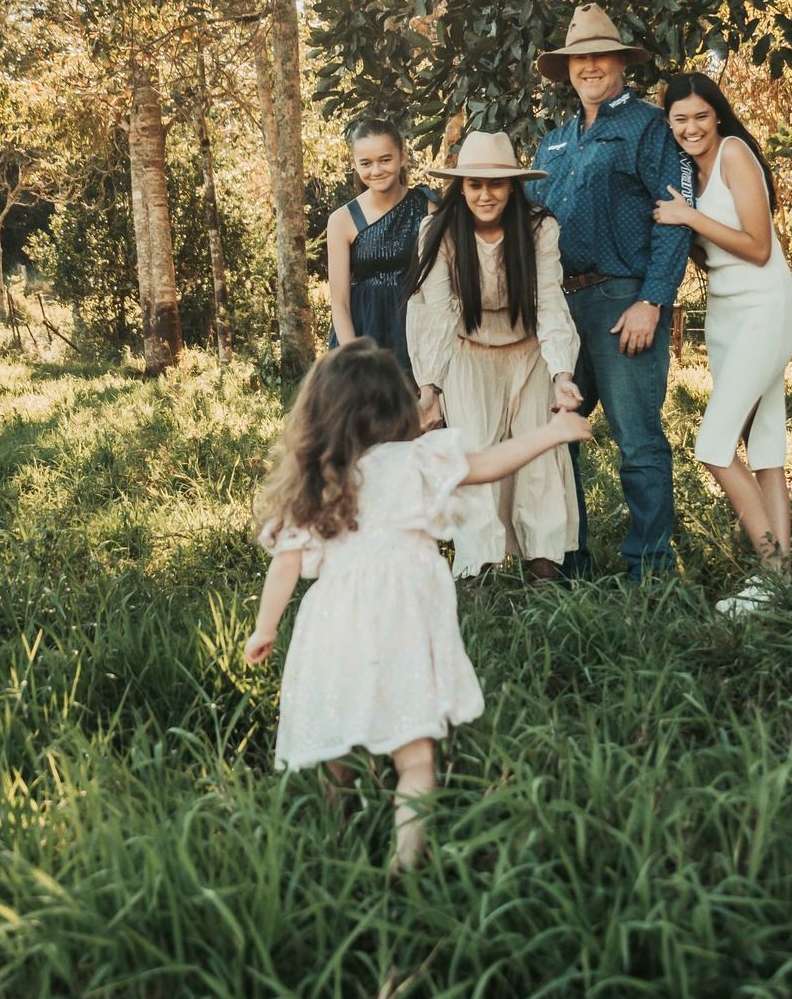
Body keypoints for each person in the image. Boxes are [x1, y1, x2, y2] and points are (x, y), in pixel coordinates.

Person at [245, 339, 592, 869]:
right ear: (397, 406)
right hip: (403, 625)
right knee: (416, 759)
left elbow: (286, 563)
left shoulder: (320, 480)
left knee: (335, 750)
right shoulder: (419, 460)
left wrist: (264, 628)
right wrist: (553, 431)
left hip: (335, 627)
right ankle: (405, 868)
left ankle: (335, 846)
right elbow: (489, 464)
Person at [530, 3, 693, 582]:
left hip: (624, 302)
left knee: (638, 441)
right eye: (579, 58)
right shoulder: (553, 144)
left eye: (601, 55)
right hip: (560, 307)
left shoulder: (650, 127)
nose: (590, 66)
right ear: (567, 69)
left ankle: (649, 571)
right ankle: (567, 561)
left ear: (620, 63)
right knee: (554, 437)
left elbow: (677, 214)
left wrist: (653, 299)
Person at [654, 74, 792, 617]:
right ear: (667, 123)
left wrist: (689, 217)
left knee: (713, 445)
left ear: (717, 115)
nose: (691, 128)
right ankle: (783, 583)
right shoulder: (685, 175)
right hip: (725, 315)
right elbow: (711, 252)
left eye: (700, 116)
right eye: (679, 119)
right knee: (765, 444)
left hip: (766, 307)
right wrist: (684, 221)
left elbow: (760, 248)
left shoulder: (736, 153)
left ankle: (771, 573)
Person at [404, 130, 584, 581]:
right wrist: (431, 388)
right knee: (475, 451)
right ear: (460, 187)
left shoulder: (539, 226)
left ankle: (544, 566)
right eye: (474, 184)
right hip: (467, 352)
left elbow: (549, 300)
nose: (485, 195)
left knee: (538, 458)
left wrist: (562, 372)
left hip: (529, 352)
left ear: (513, 186)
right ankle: (477, 568)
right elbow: (437, 312)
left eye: (496, 184)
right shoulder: (438, 229)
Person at [326, 116, 431, 379]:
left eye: (385, 159)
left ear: (402, 156)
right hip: (362, 331)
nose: (376, 170)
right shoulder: (342, 220)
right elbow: (339, 301)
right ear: (354, 164)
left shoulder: (428, 209)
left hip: (413, 331)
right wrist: (353, 357)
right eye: (366, 163)